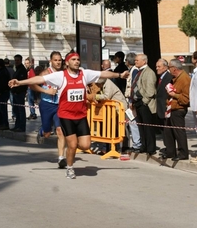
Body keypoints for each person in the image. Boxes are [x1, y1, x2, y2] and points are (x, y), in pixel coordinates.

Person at [9, 51, 129, 179]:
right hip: (66, 115)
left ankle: (70, 146)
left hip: (81, 115)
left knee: (85, 145)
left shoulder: (85, 74)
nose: (77, 61)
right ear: (67, 63)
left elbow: (103, 73)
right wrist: (20, 82)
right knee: (70, 144)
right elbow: (40, 79)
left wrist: (120, 74)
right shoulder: (60, 76)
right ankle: (70, 168)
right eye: (73, 60)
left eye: (78, 59)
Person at [30, 51, 67, 169]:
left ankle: (61, 158)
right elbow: (32, 85)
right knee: (47, 133)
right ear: (50, 61)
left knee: (60, 130)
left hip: (59, 106)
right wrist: (46, 91)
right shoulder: (45, 73)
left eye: (60, 60)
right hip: (46, 104)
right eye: (55, 60)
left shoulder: (63, 73)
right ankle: (42, 131)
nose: (58, 62)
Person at [161, 59, 190, 161]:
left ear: (174, 69)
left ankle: (183, 153)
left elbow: (186, 99)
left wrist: (174, 95)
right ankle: (170, 152)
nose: (168, 70)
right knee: (168, 131)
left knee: (179, 132)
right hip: (171, 108)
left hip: (179, 109)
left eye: (169, 68)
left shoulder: (185, 79)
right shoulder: (175, 78)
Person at [131, 54, 157, 156]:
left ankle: (150, 148)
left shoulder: (149, 72)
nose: (135, 62)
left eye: (137, 60)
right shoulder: (138, 71)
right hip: (138, 102)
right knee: (141, 126)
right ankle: (144, 146)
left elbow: (150, 90)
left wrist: (144, 101)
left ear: (144, 61)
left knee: (148, 127)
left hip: (145, 103)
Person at [155, 58, 172, 154]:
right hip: (160, 107)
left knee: (167, 130)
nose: (157, 68)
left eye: (159, 67)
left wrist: (167, 107)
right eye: (156, 66)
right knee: (163, 129)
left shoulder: (168, 77)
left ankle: (169, 149)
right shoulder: (161, 77)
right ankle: (167, 147)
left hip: (165, 107)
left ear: (165, 67)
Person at [10, 54, 28, 132]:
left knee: (21, 111)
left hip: (19, 93)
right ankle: (17, 126)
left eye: (18, 60)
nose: (16, 62)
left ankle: (21, 127)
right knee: (16, 110)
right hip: (15, 92)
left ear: (21, 60)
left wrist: (18, 91)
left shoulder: (22, 70)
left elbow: (22, 82)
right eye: (15, 60)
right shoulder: (17, 69)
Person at [0, 59, 11, 130]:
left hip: (3, 92)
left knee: (3, 109)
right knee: (1, 109)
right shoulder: (1, 71)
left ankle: (5, 124)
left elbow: (3, 83)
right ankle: (2, 123)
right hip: (2, 91)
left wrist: (0, 92)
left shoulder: (3, 72)